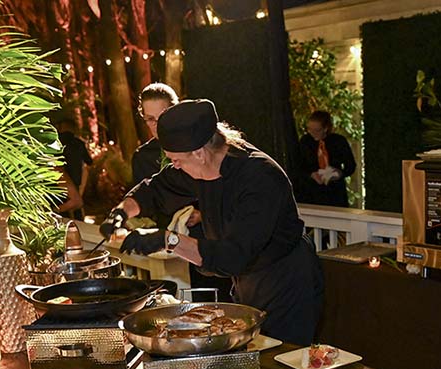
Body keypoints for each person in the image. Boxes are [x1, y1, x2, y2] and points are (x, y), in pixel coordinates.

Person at [102, 99, 324, 345]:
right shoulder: (199, 164)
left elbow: (233, 255)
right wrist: (121, 213)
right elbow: (155, 189)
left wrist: (168, 240)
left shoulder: (260, 178)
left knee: (282, 359)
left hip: (287, 281)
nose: (174, 166)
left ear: (199, 152)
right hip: (247, 281)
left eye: (176, 160)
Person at [128, 83, 232, 299]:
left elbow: (237, 253)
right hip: (180, 251)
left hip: (214, 246)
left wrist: (200, 216)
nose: (157, 125)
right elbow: (154, 191)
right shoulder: (145, 158)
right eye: (150, 119)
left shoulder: (228, 163)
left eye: (163, 116)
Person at [296, 110, 356, 207]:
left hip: (335, 193)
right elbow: (298, 166)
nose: (312, 133)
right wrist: (311, 174)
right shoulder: (305, 142)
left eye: (317, 130)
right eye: (310, 129)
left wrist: (339, 174)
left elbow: (351, 165)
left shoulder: (338, 141)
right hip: (311, 194)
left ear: (325, 128)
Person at [57, 117, 92, 220]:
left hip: (58, 185)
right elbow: (88, 163)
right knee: (78, 219)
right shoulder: (79, 143)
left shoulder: (55, 143)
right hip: (76, 182)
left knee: (62, 219)